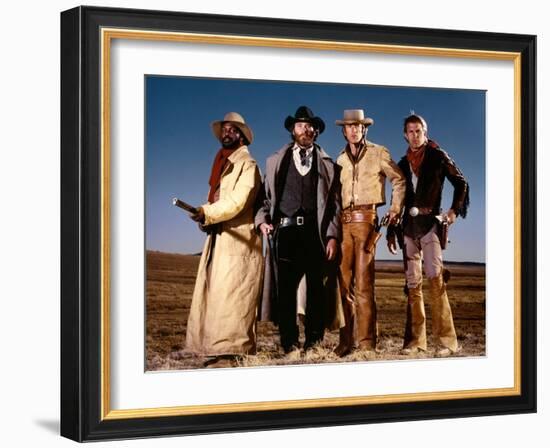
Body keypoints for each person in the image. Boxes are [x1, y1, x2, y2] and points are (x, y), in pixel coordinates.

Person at [255, 106, 342, 355]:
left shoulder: (329, 165)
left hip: (315, 233)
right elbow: (263, 199)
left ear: (316, 131)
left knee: (316, 289)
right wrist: (262, 221)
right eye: (301, 125)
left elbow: (334, 204)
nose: (306, 129)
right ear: (293, 130)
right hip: (285, 232)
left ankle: (314, 342)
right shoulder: (275, 162)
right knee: (286, 291)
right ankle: (289, 343)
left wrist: (332, 235)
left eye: (310, 126)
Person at [185, 112, 263, 368]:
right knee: (218, 295)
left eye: (232, 129)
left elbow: (237, 202)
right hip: (222, 237)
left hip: (240, 240)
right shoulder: (222, 164)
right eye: (224, 129)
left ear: (241, 135)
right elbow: (219, 200)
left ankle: (232, 354)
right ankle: (216, 350)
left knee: (234, 296)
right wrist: (203, 214)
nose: (226, 133)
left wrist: (207, 212)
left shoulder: (247, 166)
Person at [387, 113, 469, 357]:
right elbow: (397, 200)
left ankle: (447, 342)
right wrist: (392, 231)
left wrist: (453, 211)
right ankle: (415, 342)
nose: (415, 135)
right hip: (408, 229)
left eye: (418, 131)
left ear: (425, 131)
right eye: (410, 131)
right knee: (413, 285)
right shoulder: (402, 164)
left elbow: (461, 183)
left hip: (431, 225)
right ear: (405, 134)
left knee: (436, 280)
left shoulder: (437, 156)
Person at [333, 109, 405, 357]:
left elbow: (399, 180)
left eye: (358, 126)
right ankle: (345, 342)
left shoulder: (379, 152)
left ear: (365, 129)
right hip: (343, 224)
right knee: (343, 286)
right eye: (349, 126)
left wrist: (395, 209)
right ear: (344, 130)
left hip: (366, 222)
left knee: (364, 285)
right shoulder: (339, 159)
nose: (353, 130)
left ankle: (366, 344)